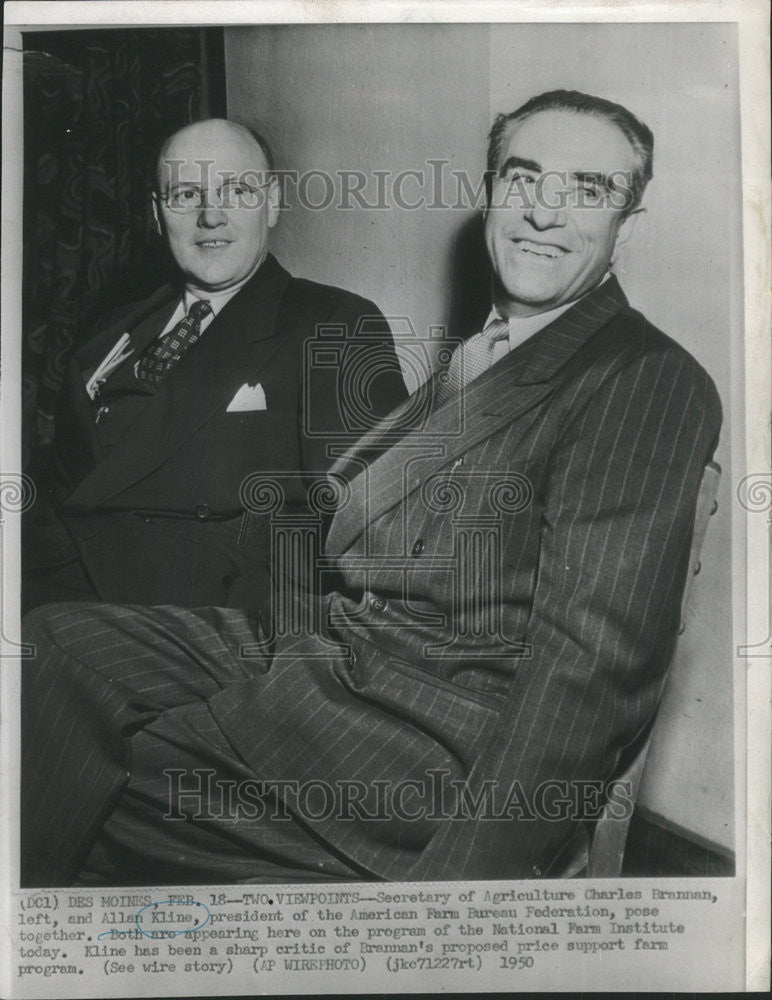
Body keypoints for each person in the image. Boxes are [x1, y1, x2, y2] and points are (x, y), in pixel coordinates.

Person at [22, 91, 722, 887]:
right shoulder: (484, 355)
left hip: (425, 744)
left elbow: (586, 676)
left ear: (627, 225)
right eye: (523, 180)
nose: (544, 214)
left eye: (588, 190)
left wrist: (454, 899)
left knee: (103, 770)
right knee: (53, 645)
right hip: (335, 659)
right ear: (490, 195)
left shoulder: (644, 378)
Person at [22, 118, 407, 611]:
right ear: (157, 215)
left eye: (237, 190)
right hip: (48, 585)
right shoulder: (104, 336)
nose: (211, 216)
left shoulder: (333, 324)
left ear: (272, 203)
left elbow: (364, 528)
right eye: (185, 194)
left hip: (196, 622)